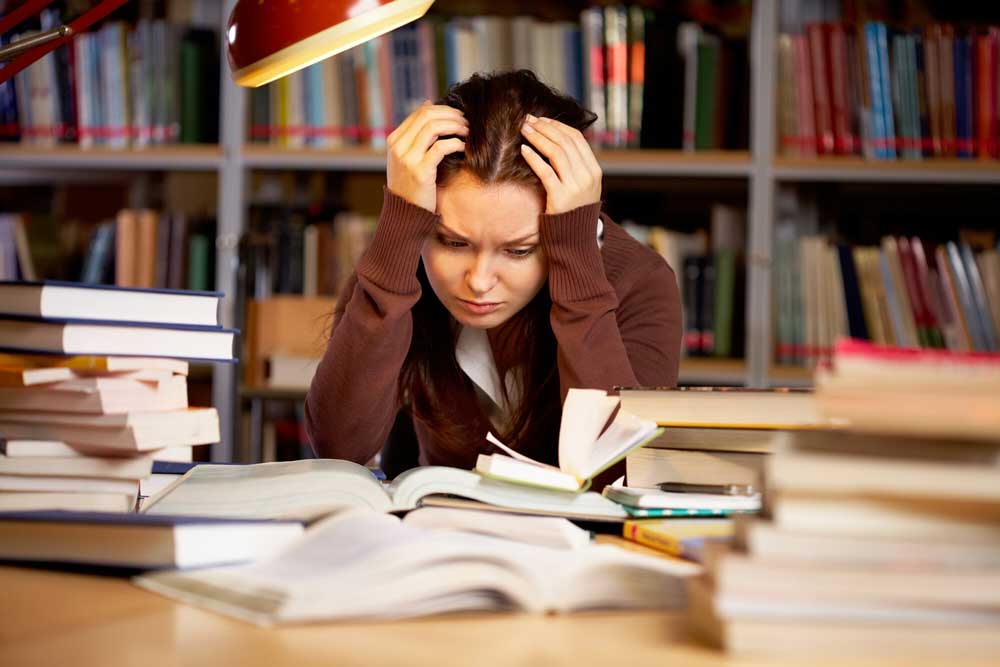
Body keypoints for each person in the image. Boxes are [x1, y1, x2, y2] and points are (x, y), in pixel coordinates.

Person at [306, 70, 680, 489]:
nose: (480, 281)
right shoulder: (401, 259)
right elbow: (338, 446)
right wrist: (398, 225)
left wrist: (576, 259)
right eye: (451, 242)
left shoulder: (641, 282)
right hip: (439, 539)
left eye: (519, 250)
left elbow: (620, 475)